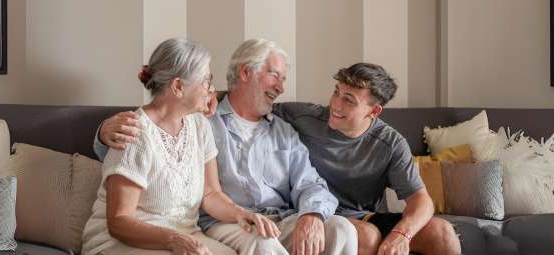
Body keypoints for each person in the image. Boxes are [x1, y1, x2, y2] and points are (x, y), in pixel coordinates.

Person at [99, 63, 462, 255]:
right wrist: (208, 96)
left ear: (375, 111)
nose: (335, 105)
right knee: (363, 236)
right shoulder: (304, 115)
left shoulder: (390, 143)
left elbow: (420, 200)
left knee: (443, 234)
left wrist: (401, 233)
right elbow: (246, 101)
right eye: (337, 93)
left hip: (365, 214)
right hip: (331, 216)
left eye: (349, 101)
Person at [95, 38, 358, 255]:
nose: (281, 87)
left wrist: (310, 213)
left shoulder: (274, 128)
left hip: (270, 217)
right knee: (262, 243)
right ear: (246, 73)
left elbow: (211, 193)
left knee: (342, 229)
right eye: (275, 76)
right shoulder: (200, 120)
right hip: (205, 227)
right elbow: (124, 188)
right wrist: (102, 134)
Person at [81, 38, 279, 255]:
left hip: (185, 234)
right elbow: (120, 221)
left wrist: (240, 213)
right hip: (126, 242)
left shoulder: (199, 125)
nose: (211, 89)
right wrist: (173, 240)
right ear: (178, 87)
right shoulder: (134, 132)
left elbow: (210, 193)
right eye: (206, 80)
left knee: (257, 245)